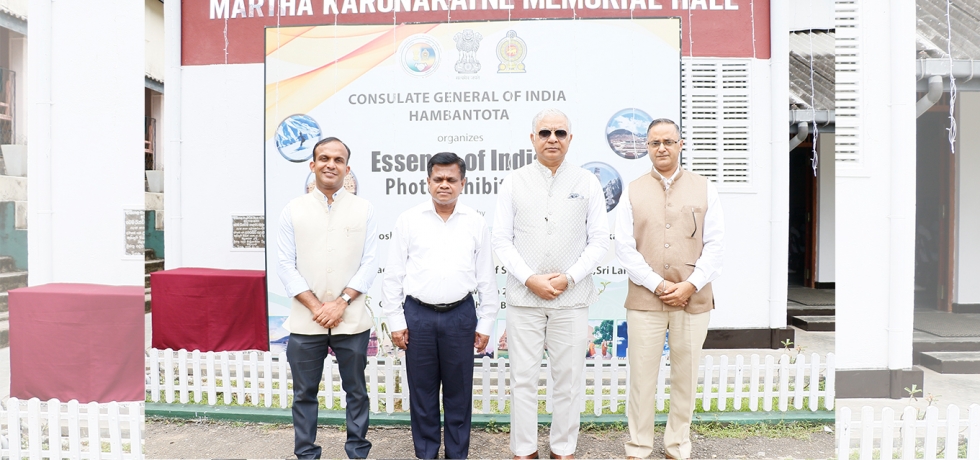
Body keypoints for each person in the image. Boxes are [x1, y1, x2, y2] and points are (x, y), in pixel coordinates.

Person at [492, 108, 610, 460]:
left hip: (571, 300)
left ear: (570, 139)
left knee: (569, 382)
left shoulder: (587, 182)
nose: (552, 139)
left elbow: (600, 241)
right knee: (523, 380)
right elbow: (500, 239)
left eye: (560, 133)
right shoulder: (513, 181)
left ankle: (563, 449)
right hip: (523, 298)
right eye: (545, 133)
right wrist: (529, 278)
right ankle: (524, 450)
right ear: (533, 139)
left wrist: (569, 277)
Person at [615, 119, 724, 460]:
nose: (661, 147)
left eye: (667, 141)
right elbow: (623, 247)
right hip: (645, 301)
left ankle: (677, 445)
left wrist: (689, 285)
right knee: (641, 380)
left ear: (680, 145)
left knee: (685, 378)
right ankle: (638, 446)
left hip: (692, 300)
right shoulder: (632, 190)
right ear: (646, 148)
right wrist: (659, 285)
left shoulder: (705, 188)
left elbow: (716, 245)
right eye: (654, 142)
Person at [382, 152, 499, 459]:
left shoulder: (475, 222)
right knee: (422, 393)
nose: (444, 185)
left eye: (451, 179)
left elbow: (487, 277)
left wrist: (486, 323)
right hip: (417, 315)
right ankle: (426, 453)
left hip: (460, 316)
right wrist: (396, 321)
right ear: (428, 182)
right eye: (438, 179)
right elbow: (393, 275)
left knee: (459, 394)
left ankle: (457, 455)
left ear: (463, 183)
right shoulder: (408, 220)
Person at [277, 137, 378, 459]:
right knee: (304, 393)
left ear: (347, 168)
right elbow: (284, 264)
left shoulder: (364, 209)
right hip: (306, 321)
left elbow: (370, 262)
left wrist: (341, 303)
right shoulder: (293, 210)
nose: (330, 164)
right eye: (323, 158)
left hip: (352, 320)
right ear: (312, 165)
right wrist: (317, 307)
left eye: (338, 159)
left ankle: (357, 451)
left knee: (356, 392)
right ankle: (306, 453)